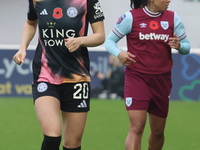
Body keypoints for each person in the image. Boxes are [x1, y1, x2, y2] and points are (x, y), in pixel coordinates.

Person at [13, 0, 105, 150]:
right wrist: (22, 48)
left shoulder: (87, 1)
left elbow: (100, 35)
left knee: (72, 144)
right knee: (52, 135)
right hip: (45, 75)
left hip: (77, 78)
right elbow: (31, 23)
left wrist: (80, 40)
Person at [104, 0, 190, 150]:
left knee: (157, 131)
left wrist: (180, 45)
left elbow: (186, 47)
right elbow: (110, 41)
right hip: (137, 78)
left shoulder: (173, 18)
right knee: (137, 127)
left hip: (162, 80)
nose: (169, 0)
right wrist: (119, 54)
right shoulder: (130, 17)